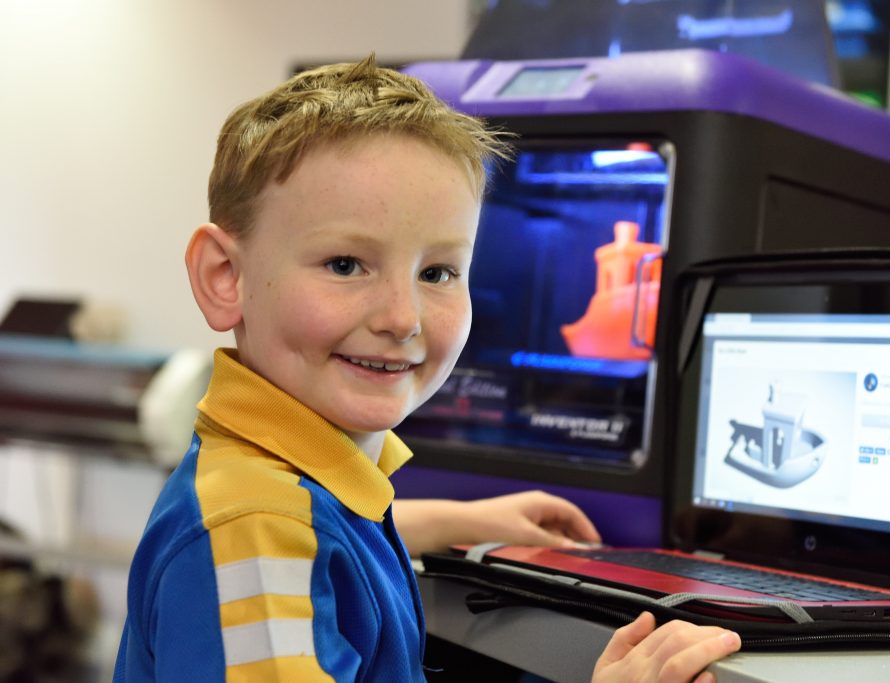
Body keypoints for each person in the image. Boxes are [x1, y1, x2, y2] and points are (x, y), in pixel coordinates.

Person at [114, 55, 741, 682]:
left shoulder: (285, 486)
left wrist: (460, 521)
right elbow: (287, 536)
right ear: (226, 277)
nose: (401, 317)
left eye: (437, 273)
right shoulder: (255, 528)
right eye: (344, 264)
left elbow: (324, 532)